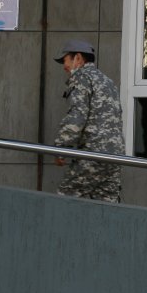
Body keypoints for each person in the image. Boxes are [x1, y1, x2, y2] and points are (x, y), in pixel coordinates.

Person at [52, 39, 124, 202]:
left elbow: (77, 116)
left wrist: (61, 148)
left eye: (65, 60)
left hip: (93, 152)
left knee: (67, 199)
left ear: (78, 58)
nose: (64, 67)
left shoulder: (81, 77)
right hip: (115, 155)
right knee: (106, 204)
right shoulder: (107, 81)